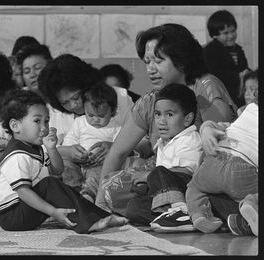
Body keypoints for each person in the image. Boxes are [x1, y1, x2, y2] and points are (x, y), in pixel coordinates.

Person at [95, 23, 237, 213]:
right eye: (147, 62)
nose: (150, 69)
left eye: (158, 61)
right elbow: (118, 152)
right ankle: (178, 212)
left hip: (205, 180)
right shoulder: (150, 100)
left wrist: (158, 175)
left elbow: (222, 153)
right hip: (165, 182)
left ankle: (195, 210)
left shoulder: (206, 87)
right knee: (120, 196)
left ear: (182, 60)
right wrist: (99, 205)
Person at [0, 90, 128, 234]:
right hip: (11, 215)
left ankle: (101, 216)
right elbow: (23, 192)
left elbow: (57, 170)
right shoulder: (17, 155)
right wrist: (53, 211)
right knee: (49, 184)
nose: (44, 127)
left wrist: (51, 149)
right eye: (37, 121)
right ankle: (86, 223)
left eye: (46, 120)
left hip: (24, 207)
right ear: (15, 126)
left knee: (60, 186)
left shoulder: (33, 148)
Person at [38, 54, 134, 188]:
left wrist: (116, 148)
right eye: (65, 103)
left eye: (76, 97)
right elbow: (42, 151)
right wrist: (68, 151)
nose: (73, 105)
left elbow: (143, 143)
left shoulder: (119, 98)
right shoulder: (53, 113)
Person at [125, 83, 202, 232]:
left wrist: (150, 176)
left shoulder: (190, 138)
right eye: (158, 114)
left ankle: (181, 213)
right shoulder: (163, 143)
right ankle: (177, 218)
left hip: (188, 193)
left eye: (170, 115)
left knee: (158, 171)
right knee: (134, 207)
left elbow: (186, 173)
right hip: (169, 196)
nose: (161, 121)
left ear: (187, 119)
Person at [186, 101, 258, 234]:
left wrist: (206, 130)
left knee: (194, 188)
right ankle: (252, 204)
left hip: (213, 161)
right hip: (243, 170)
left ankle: (200, 215)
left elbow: (213, 125)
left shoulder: (245, 115)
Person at [62, 82, 122, 202]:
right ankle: (73, 191)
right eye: (90, 115)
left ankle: (88, 196)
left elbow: (121, 151)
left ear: (113, 111)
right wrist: (74, 152)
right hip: (78, 163)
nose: (95, 119)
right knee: (66, 167)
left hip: (99, 164)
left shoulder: (117, 128)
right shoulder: (80, 122)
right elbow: (68, 145)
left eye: (101, 116)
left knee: (98, 174)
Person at [203, 9, 250, 107]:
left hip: (238, 94)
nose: (231, 35)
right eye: (225, 33)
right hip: (220, 96)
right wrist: (238, 75)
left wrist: (247, 73)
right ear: (215, 35)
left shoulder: (238, 49)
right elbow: (214, 73)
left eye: (233, 31)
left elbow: (244, 67)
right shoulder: (210, 50)